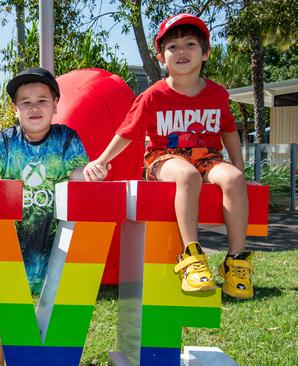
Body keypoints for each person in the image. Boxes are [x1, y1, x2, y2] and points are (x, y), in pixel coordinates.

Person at [83, 13, 254, 299]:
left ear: (206, 52)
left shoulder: (217, 95)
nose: (182, 51)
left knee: (234, 178)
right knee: (186, 176)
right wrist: (101, 160)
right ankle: (192, 258)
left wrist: (238, 167)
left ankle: (235, 262)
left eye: (190, 44)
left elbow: (228, 131)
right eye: (172, 47)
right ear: (162, 57)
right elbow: (126, 132)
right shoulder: (153, 96)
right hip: (164, 158)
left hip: (207, 157)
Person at [0, 67, 88, 366]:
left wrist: (88, 173)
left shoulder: (66, 139)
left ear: (55, 104)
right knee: (5, 300)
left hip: (55, 238)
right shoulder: (6, 141)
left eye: (42, 100)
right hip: (13, 238)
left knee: (59, 301)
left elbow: (77, 170)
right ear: (15, 108)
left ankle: (55, 355)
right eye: (25, 101)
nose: (34, 107)